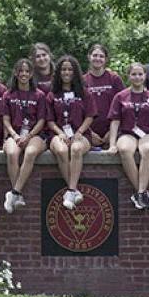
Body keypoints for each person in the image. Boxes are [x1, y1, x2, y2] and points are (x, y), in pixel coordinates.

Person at [107, 63, 149, 209]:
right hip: (127, 133)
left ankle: (139, 193)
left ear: (145, 76)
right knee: (125, 150)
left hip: (148, 133)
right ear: (128, 76)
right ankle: (142, 192)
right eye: (134, 74)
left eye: (140, 74)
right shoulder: (120, 96)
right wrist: (112, 144)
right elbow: (115, 122)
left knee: (147, 150)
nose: (137, 77)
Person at [47, 55, 97, 210]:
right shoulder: (52, 95)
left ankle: (70, 190)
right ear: (58, 72)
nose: (66, 72)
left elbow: (90, 116)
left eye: (70, 69)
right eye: (63, 69)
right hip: (58, 134)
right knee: (61, 150)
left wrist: (79, 132)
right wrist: (60, 133)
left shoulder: (84, 93)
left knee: (76, 149)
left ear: (75, 72)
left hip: (81, 134)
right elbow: (49, 120)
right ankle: (74, 190)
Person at [2, 58, 48, 214]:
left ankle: (14, 192)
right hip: (14, 134)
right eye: (20, 71)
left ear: (31, 74)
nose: (23, 74)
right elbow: (6, 120)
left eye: (27, 71)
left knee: (30, 153)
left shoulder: (39, 95)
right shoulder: (8, 94)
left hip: (35, 134)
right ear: (15, 73)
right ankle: (18, 195)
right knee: (12, 153)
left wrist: (28, 136)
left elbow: (42, 120)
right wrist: (15, 136)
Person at [84, 44, 124, 149]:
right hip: (89, 133)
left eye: (101, 56)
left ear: (106, 59)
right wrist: (89, 133)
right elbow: (78, 110)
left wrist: (112, 132)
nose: (98, 58)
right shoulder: (82, 81)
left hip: (112, 131)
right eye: (95, 55)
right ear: (89, 56)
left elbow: (123, 106)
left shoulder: (114, 78)